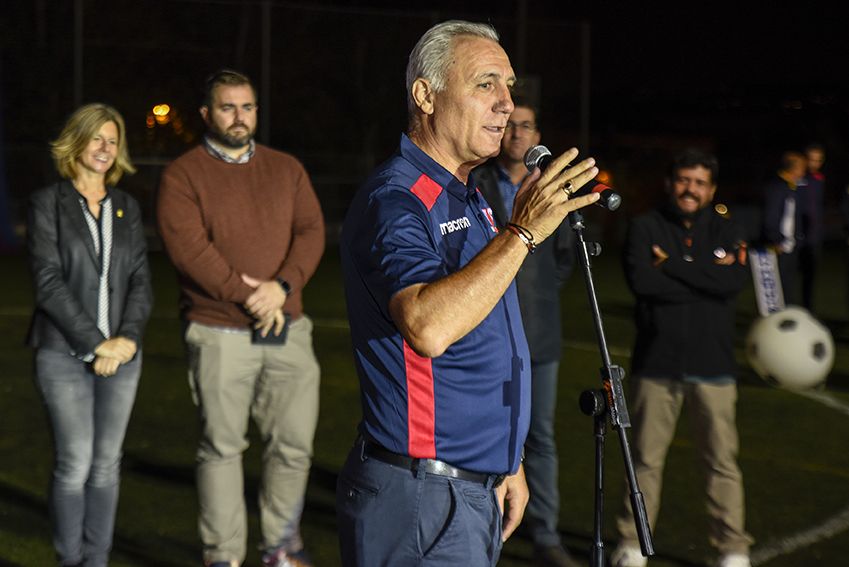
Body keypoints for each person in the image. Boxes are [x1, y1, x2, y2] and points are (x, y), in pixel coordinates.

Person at [336, 20, 601, 567]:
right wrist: (522, 233)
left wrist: (508, 459)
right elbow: (428, 327)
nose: (506, 104)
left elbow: (485, 336)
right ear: (425, 95)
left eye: (508, 87)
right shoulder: (397, 200)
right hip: (422, 496)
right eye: (486, 84)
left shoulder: (466, 194)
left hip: (470, 485)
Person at [157, 69, 324, 567]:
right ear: (207, 114)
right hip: (218, 330)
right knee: (222, 448)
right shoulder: (183, 174)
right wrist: (245, 295)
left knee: (293, 447)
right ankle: (223, 555)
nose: (239, 117)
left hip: (288, 327)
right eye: (227, 108)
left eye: (247, 107)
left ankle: (279, 547)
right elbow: (189, 249)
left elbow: (311, 230)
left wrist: (282, 287)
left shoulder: (286, 168)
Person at [611, 149, 754, 567]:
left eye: (699, 182)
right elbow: (643, 282)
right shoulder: (643, 226)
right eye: (683, 180)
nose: (690, 189)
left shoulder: (730, 229)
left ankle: (733, 549)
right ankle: (632, 543)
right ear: (670, 183)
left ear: (711, 189)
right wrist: (707, 279)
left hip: (715, 367)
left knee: (721, 463)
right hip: (657, 364)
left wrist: (671, 265)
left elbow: (732, 285)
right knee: (644, 462)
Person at [27, 103, 152, 567]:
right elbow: (48, 282)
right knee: (75, 464)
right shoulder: (47, 205)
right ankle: (70, 560)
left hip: (123, 356)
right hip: (62, 355)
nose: (105, 148)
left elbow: (140, 279)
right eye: (96, 138)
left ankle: (96, 560)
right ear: (75, 142)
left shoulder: (127, 207)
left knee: (106, 467)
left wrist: (127, 339)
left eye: (112, 139)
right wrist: (95, 343)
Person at [474, 97, 579, 567]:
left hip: (540, 335)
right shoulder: (475, 185)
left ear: (537, 136)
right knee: (485, 432)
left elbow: (563, 262)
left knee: (540, 437)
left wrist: (530, 298)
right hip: (484, 333)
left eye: (526, 126)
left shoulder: (554, 191)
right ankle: (481, 527)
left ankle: (546, 533)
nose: (516, 133)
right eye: (510, 125)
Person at [760, 150, 807, 305]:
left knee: (788, 288)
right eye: (802, 168)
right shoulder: (777, 188)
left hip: (790, 246)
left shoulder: (792, 188)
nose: (804, 172)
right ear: (794, 169)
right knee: (776, 291)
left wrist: (797, 239)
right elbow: (771, 217)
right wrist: (777, 240)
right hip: (778, 247)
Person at [797, 143, 826, 312]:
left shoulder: (819, 180)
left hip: (813, 238)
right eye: (811, 159)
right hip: (797, 237)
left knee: (810, 280)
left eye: (818, 160)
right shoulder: (798, 179)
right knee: (790, 277)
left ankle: (808, 312)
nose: (814, 163)